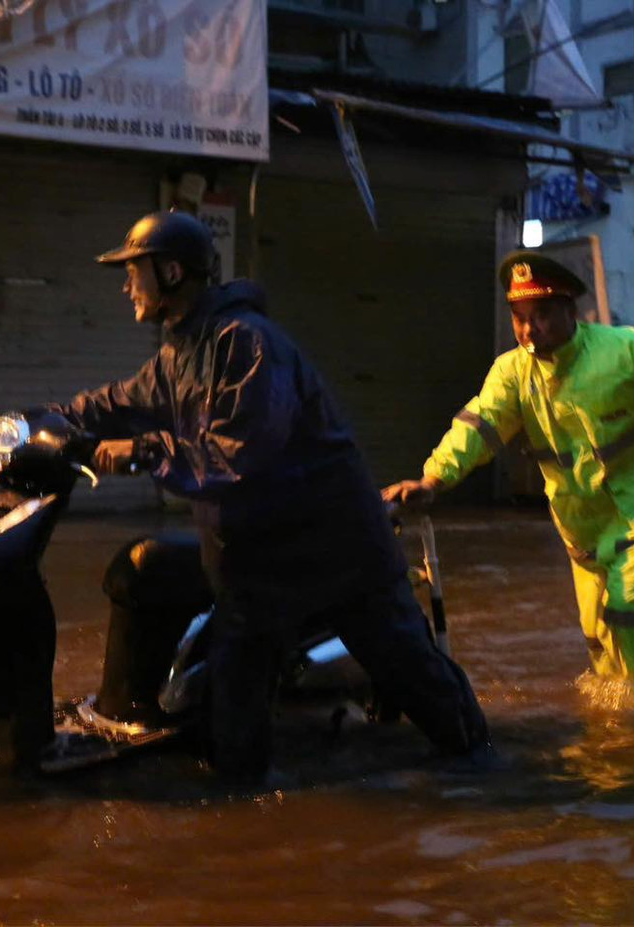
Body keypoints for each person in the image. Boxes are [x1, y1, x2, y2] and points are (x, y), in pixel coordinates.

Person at [38, 211, 491, 781]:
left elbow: (237, 457)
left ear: (172, 272)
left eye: (135, 271)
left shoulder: (247, 344)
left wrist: (145, 450)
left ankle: (493, 779)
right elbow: (119, 401)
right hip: (259, 564)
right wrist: (46, 421)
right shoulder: (183, 350)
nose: (126, 284)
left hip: (335, 553)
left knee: (419, 682)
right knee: (235, 707)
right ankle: (243, 827)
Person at [383, 251, 634, 691]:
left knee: (629, 603)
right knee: (594, 624)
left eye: (542, 314)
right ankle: (609, 707)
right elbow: (480, 426)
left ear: (571, 310)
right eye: (519, 317)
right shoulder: (513, 372)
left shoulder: (625, 348)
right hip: (579, 520)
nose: (529, 329)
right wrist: (434, 479)